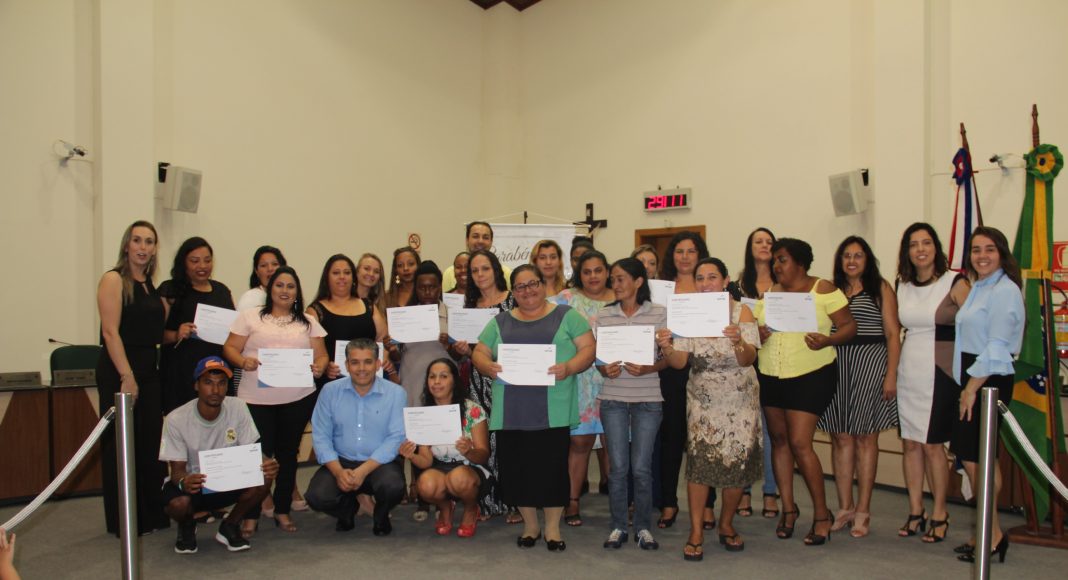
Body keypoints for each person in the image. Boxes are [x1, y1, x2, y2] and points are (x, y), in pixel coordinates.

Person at [471, 265, 595, 552]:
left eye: (533, 283)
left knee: (552, 470)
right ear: (513, 291)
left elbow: (589, 348)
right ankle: (530, 525)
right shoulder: (500, 322)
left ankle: (552, 528)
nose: (528, 291)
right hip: (511, 410)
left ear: (543, 284)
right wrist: (487, 366)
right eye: (520, 286)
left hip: (553, 408)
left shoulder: (567, 316)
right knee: (518, 470)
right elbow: (479, 351)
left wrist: (569, 367)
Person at [754, 237, 856, 546]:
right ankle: (788, 509)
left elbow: (849, 326)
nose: (776, 265)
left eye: (782, 259)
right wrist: (758, 334)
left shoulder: (822, 289)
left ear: (800, 263)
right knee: (779, 440)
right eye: (775, 260)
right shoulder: (770, 293)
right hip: (771, 372)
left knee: (800, 443)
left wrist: (829, 340)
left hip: (810, 374)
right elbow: (756, 328)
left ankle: (822, 515)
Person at [659, 258, 762, 559]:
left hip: (740, 397)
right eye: (700, 278)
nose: (705, 283)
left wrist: (738, 340)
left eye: (712, 277)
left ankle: (726, 524)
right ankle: (695, 531)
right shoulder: (688, 311)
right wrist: (666, 346)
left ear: (726, 280)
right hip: (703, 398)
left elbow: (749, 359)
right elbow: (679, 362)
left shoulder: (741, 312)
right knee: (700, 464)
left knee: (736, 463)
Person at [223, 266, 329, 536]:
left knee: (288, 455)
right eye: (279, 285)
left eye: (290, 286)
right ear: (270, 289)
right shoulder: (250, 317)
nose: (285, 290)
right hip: (255, 400)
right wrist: (242, 361)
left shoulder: (308, 322)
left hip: (297, 399)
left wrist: (319, 366)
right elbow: (230, 348)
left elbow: (321, 355)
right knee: (258, 457)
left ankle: (282, 509)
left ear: (297, 292)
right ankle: (251, 514)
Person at [817, 236, 901, 538]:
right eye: (847, 256)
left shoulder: (881, 288)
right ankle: (845, 508)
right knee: (840, 437)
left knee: (866, 437)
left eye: (858, 255)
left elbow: (893, 334)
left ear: (868, 260)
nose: (852, 261)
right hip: (837, 365)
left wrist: (891, 375)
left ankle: (863, 510)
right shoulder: (831, 290)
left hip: (870, 364)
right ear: (840, 260)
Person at [952, 226, 1023, 563]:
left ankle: (991, 535)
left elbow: (997, 347)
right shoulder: (980, 286)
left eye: (989, 249)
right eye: (976, 250)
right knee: (979, 459)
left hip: (988, 378)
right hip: (974, 374)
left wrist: (970, 388)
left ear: (1002, 253)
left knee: (975, 459)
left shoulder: (1005, 291)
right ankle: (988, 532)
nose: (982, 256)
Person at [894, 223, 969, 542]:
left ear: (936, 247)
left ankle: (940, 511)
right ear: (907, 251)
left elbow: (974, 325)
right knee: (910, 443)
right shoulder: (902, 284)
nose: (920, 249)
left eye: (926, 243)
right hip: (909, 370)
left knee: (933, 445)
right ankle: (916, 510)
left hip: (941, 372)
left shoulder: (955, 281)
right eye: (913, 244)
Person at [160, 356, 279, 553]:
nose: (215, 390)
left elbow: (252, 450)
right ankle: (187, 525)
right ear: (196, 385)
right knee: (178, 504)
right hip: (194, 485)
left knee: (265, 475)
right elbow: (177, 472)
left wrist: (267, 462)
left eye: (221, 383)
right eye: (208, 382)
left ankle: (230, 525)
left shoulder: (238, 406)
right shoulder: (176, 419)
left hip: (227, 480)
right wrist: (184, 482)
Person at [96, 220, 169, 536]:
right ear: (127, 245)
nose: (143, 247)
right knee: (122, 447)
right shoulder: (113, 279)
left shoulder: (151, 285)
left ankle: (151, 514)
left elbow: (153, 332)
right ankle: (125, 521)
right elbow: (110, 332)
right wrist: (127, 376)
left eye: (149, 241)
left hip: (149, 370)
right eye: (137, 240)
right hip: (119, 370)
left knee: (150, 444)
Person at [595, 258, 668, 551]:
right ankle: (617, 526)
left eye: (621, 278)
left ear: (638, 282)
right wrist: (604, 369)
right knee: (617, 468)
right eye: (613, 279)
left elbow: (668, 359)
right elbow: (599, 360)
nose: (615, 284)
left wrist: (650, 368)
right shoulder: (604, 315)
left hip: (648, 398)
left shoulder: (659, 313)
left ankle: (642, 527)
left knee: (641, 468)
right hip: (613, 398)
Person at [306, 339, 407, 535]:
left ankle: (380, 515)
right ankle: (348, 509)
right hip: (341, 461)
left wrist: (362, 471)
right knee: (317, 497)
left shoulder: (396, 393)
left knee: (393, 487)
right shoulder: (329, 391)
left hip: (379, 463)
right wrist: (338, 472)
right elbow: (321, 436)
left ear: (378, 364)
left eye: (368, 362)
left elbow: (396, 437)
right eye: (355, 362)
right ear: (346, 365)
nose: (361, 368)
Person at [654, 231, 712, 529]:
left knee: (704, 439)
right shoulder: (660, 288)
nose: (685, 257)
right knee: (671, 438)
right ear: (671, 255)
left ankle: (709, 504)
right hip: (670, 368)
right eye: (679, 251)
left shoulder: (709, 287)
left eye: (691, 251)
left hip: (705, 369)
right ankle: (668, 502)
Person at [386, 260, 451, 518]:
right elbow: (398, 355)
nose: (427, 292)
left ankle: (443, 494)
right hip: (412, 383)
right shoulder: (405, 315)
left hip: (441, 387)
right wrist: (391, 347)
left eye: (432, 287)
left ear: (439, 287)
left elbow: (460, 356)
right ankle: (422, 497)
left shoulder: (450, 313)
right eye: (422, 287)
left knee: (440, 439)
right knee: (417, 440)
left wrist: (450, 344)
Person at [554, 250, 614, 526]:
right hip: (579, 379)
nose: (593, 276)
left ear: (607, 271)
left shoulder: (620, 297)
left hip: (616, 379)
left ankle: (620, 500)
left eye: (598, 270)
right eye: (587, 271)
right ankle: (572, 500)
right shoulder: (566, 299)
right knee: (580, 442)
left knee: (615, 442)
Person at [399, 358, 491, 537]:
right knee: (425, 484)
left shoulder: (472, 410)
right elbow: (426, 461)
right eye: (432, 377)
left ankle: (471, 508)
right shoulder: (424, 413)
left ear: (454, 380)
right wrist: (411, 455)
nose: (436, 382)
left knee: (459, 478)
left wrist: (469, 451)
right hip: (440, 468)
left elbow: (484, 455)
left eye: (443, 376)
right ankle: (445, 507)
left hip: (471, 468)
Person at [463, 249, 516, 519]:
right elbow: (468, 351)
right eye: (474, 270)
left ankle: (515, 503)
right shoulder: (468, 308)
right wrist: (463, 349)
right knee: (484, 441)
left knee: (509, 441)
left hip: (509, 379)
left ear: (495, 270)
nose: (480, 274)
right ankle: (487, 502)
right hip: (478, 382)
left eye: (485, 268)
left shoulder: (512, 301)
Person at [160, 237, 235, 413]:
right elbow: (152, 334)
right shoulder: (170, 290)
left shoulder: (222, 291)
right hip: (181, 375)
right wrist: (176, 334)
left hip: (217, 374)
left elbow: (234, 332)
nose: (202, 266)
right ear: (183, 263)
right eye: (195, 261)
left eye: (207, 260)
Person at [735, 227, 779, 519]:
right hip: (744, 364)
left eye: (769, 242)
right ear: (749, 248)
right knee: (746, 431)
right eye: (758, 241)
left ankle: (771, 491)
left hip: (775, 363)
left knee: (771, 431)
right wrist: (752, 333)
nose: (764, 245)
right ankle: (744, 491)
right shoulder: (736, 286)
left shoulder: (784, 285)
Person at [306, 254, 388, 388]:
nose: (342, 277)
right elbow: (315, 354)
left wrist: (381, 361)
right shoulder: (315, 311)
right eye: (336, 273)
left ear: (353, 277)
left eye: (347, 273)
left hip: (368, 382)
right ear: (327, 278)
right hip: (333, 383)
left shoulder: (368, 306)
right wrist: (325, 367)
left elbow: (384, 340)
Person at [442, 221, 511, 291]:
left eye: (485, 237)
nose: (480, 241)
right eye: (475, 236)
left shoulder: (505, 272)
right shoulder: (450, 273)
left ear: (491, 241)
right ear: (467, 240)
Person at [236, 246, 286, 311]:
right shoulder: (250, 298)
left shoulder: (289, 298)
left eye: (275, 264)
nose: (270, 269)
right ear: (256, 271)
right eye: (263, 265)